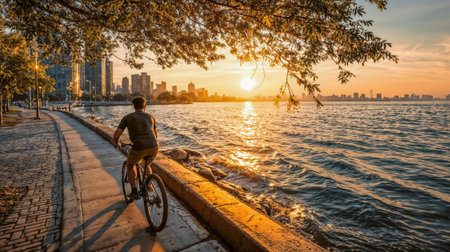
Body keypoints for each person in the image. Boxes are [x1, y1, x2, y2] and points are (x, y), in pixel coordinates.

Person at [114, 96, 159, 200]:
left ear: (133, 107)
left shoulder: (128, 117)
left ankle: (134, 192)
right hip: (154, 146)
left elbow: (116, 135)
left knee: (130, 164)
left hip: (139, 146)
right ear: (145, 107)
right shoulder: (151, 117)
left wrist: (117, 144)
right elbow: (155, 135)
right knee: (147, 164)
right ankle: (149, 185)